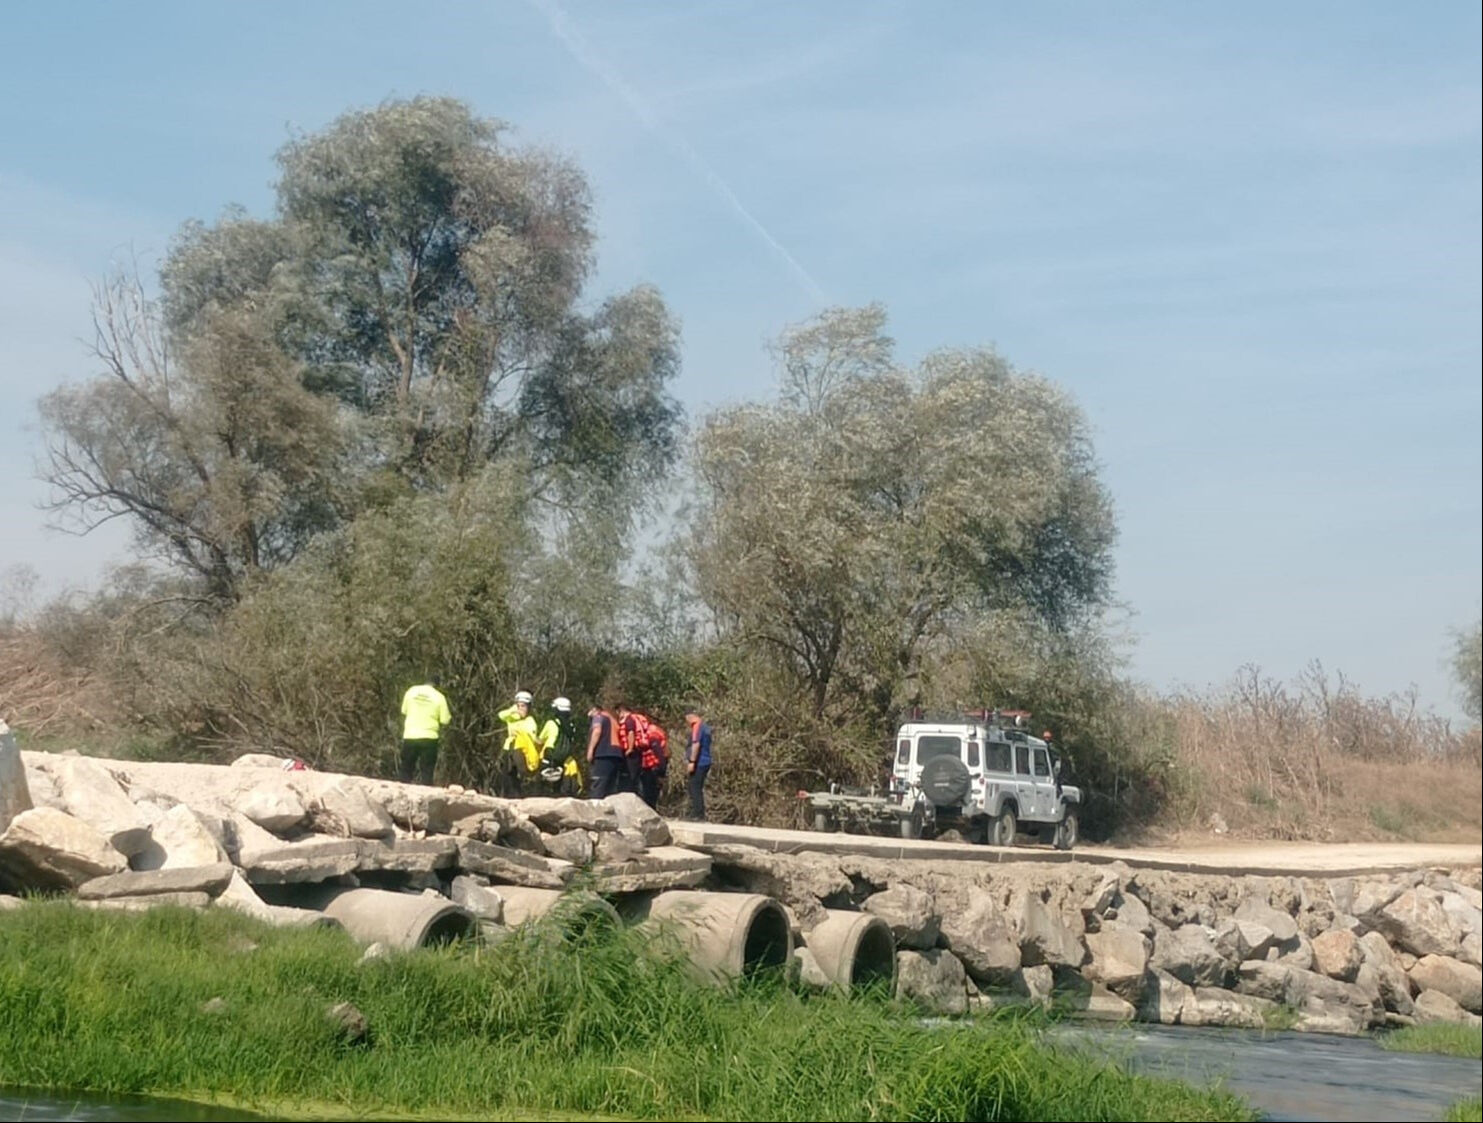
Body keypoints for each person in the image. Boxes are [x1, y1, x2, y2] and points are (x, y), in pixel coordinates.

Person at [399, 675, 451, 786]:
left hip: (410, 735)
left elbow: (404, 711)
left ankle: (402, 791)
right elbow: (445, 720)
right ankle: (426, 795)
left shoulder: (411, 691)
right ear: (437, 685)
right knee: (427, 770)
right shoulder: (439, 697)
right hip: (429, 737)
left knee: (406, 768)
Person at [496, 690, 541, 795]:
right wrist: (513, 710)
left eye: (523, 706)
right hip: (509, 749)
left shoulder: (530, 720)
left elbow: (532, 737)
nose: (521, 709)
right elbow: (501, 715)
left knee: (519, 778)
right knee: (507, 778)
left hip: (521, 752)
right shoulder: (512, 718)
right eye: (519, 706)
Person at [537, 696, 583, 796]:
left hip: (550, 756)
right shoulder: (571, 726)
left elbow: (540, 741)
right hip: (565, 759)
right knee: (561, 788)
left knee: (546, 787)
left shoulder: (551, 723)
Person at [631, 711, 669, 810]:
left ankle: (651, 812)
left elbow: (658, 750)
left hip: (654, 766)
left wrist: (662, 768)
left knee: (650, 792)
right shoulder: (652, 730)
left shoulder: (652, 731)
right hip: (650, 765)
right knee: (649, 791)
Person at [586, 702, 625, 799]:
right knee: (610, 787)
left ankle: (595, 810)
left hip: (603, 753)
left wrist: (590, 751)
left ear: (595, 710)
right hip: (616, 755)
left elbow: (597, 731)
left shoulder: (599, 716)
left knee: (598, 784)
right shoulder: (613, 719)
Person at [684, 706, 713, 821]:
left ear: (689, 717)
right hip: (706, 761)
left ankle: (698, 814)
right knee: (697, 787)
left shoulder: (697, 727)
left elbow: (696, 744)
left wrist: (692, 761)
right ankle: (698, 813)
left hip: (700, 762)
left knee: (694, 787)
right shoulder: (705, 727)